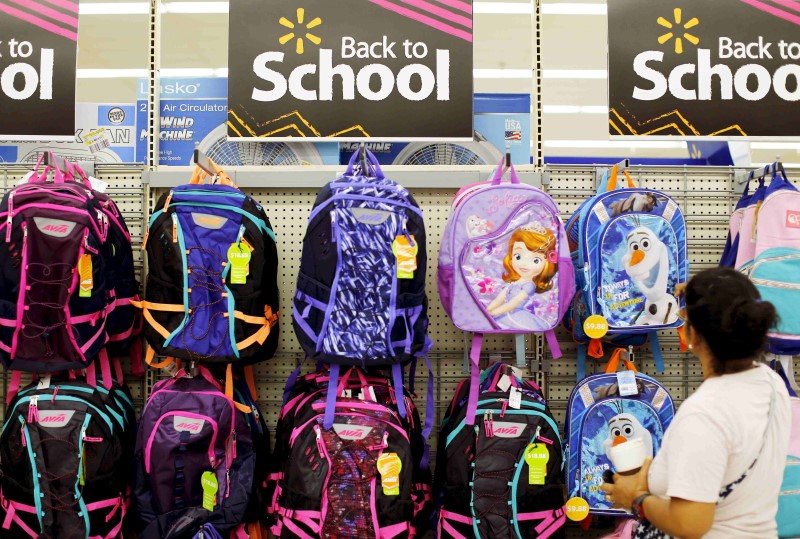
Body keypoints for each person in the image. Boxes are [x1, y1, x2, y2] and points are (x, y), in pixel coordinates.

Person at [601, 267, 792, 538]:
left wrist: (635, 497)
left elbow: (690, 523)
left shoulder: (704, 413)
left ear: (693, 335)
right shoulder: (771, 385)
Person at [486, 225, 557, 328]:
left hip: (515, 315)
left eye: (535, 260)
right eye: (518, 256)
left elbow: (513, 303)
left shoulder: (529, 285)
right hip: (504, 313)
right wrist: (488, 310)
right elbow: (500, 298)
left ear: (547, 262)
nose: (524, 264)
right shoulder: (514, 283)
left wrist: (493, 313)